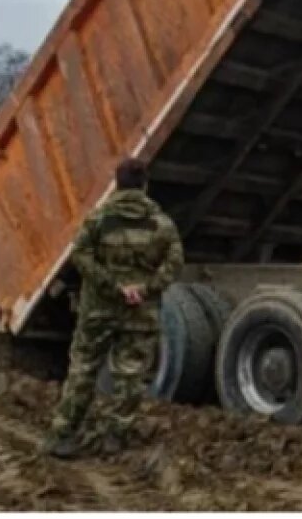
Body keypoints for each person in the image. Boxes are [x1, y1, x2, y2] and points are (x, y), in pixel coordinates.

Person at [43, 157, 184, 459]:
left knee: (83, 368)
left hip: (98, 310)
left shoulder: (98, 220)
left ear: (117, 183)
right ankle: (115, 438)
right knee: (130, 375)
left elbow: (80, 256)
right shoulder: (162, 224)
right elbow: (174, 264)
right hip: (140, 312)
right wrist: (144, 289)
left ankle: (63, 435)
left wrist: (111, 286)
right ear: (145, 185)